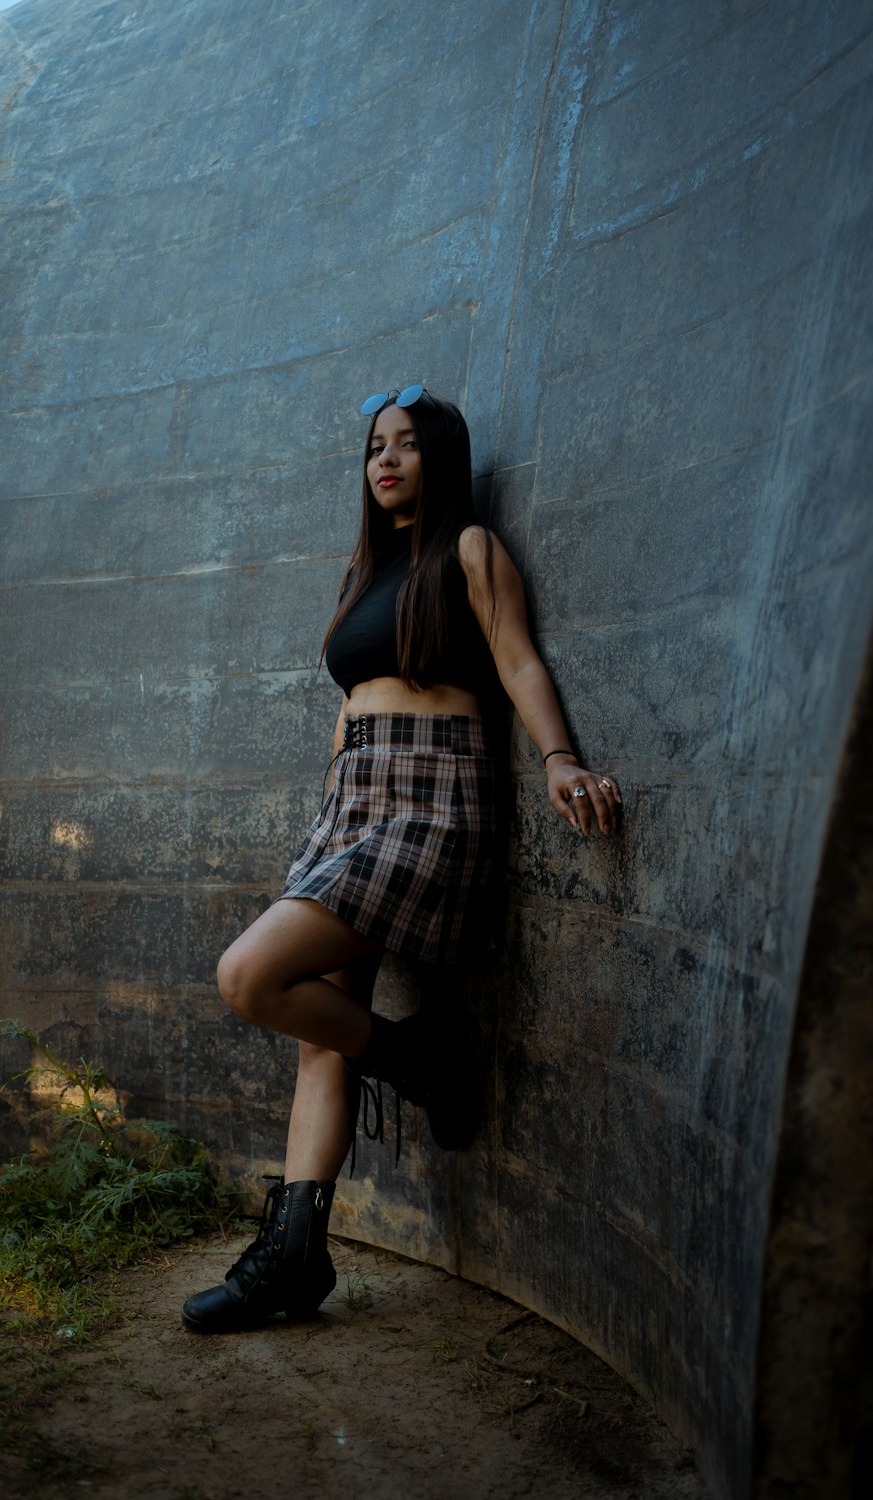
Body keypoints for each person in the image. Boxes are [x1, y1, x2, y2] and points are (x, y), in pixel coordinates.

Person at [181, 385, 621, 1335]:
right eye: (375, 447)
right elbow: (348, 712)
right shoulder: (362, 572)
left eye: (407, 445)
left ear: (441, 457)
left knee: (248, 975)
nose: (385, 461)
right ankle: (295, 1257)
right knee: (316, 1036)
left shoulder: (469, 548)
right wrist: (329, 810)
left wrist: (558, 759)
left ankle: (415, 1056)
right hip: (352, 803)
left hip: (432, 799)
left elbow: (517, 661)